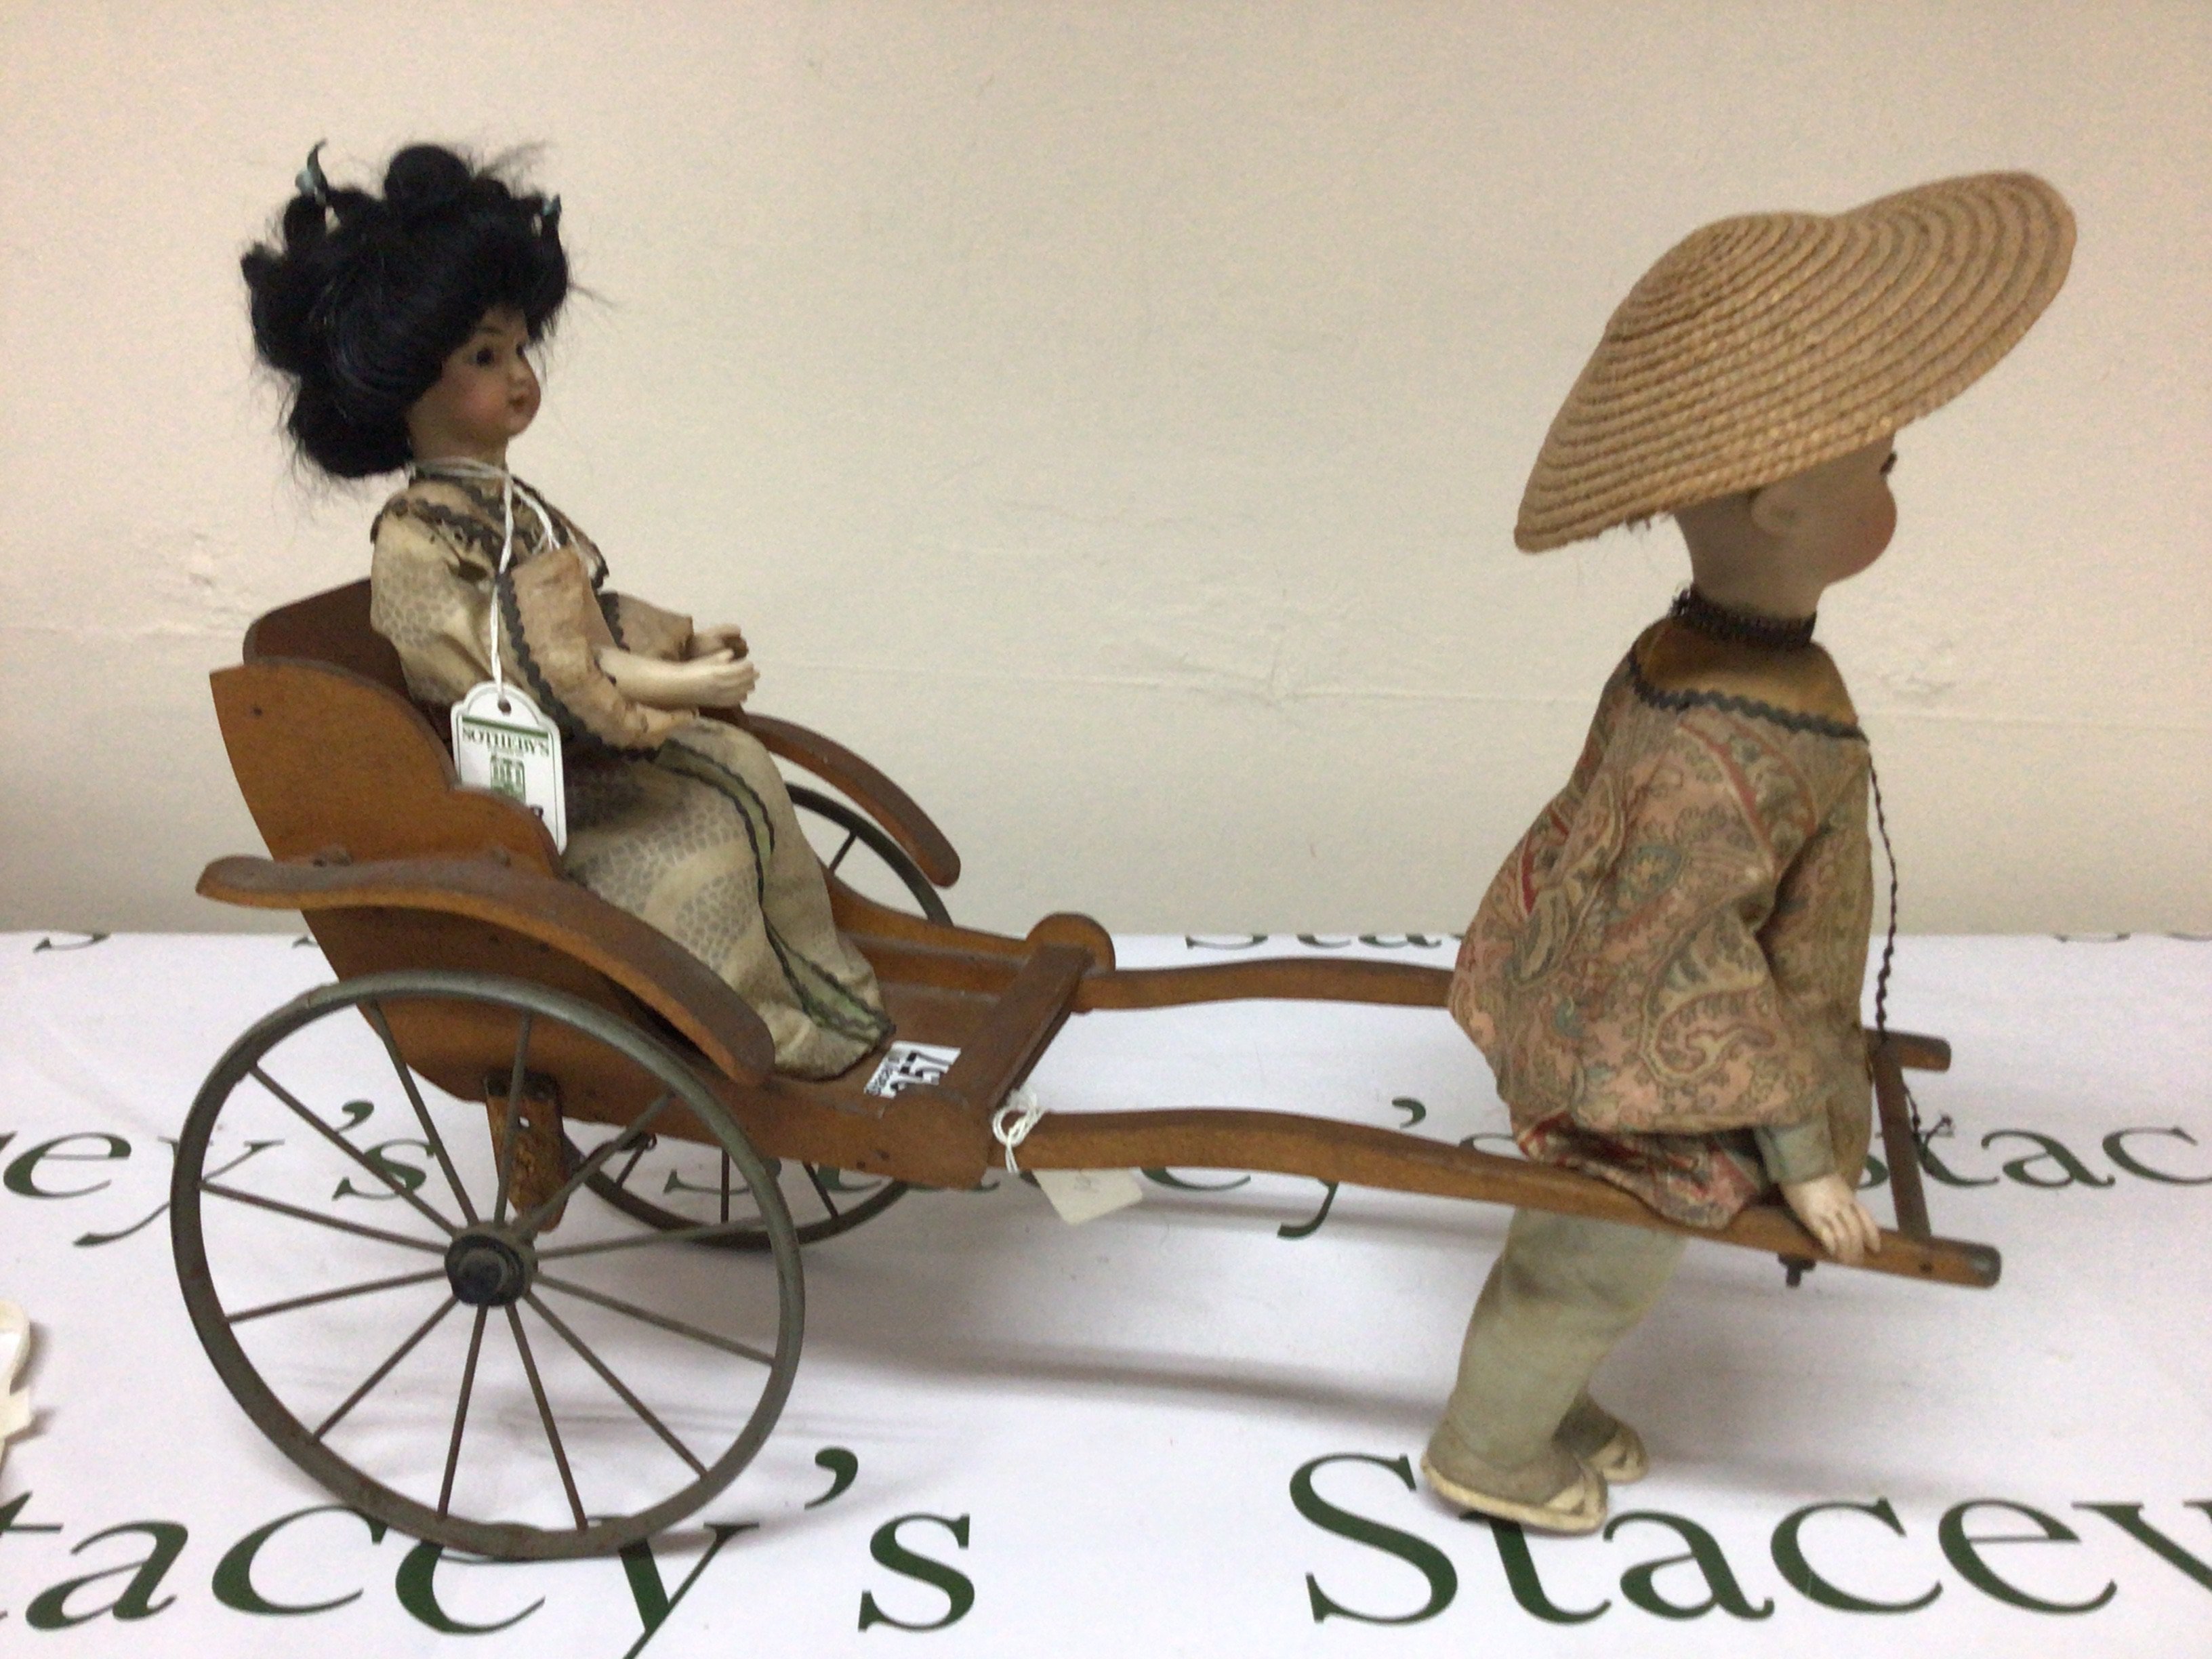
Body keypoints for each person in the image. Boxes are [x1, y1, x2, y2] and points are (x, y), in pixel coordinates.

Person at [1427, 173, 2074, 1532]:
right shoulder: (1717, 734)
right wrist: (1802, 1150)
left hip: (1611, 1012)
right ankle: (1489, 1446)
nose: (1893, 480)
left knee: (1592, 1255)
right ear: (1783, 501)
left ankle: (1541, 1406)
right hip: (1632, 1064)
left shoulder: (1712, 661)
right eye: (1880, 465)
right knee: (1595, 1261)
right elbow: (1691, 961)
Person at [242, 142, 891, 1078]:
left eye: (519, 350)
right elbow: (498, 656)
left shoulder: (512, 506)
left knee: (736, 760)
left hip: (575, 748)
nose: (519, 375)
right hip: (518, 801)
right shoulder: (416, 540)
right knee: (695, 844)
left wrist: (678, 645)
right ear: (409, 382)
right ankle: (753, 1033)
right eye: (484, 356)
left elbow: (580, 613)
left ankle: (825, 990)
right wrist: (659, 681)